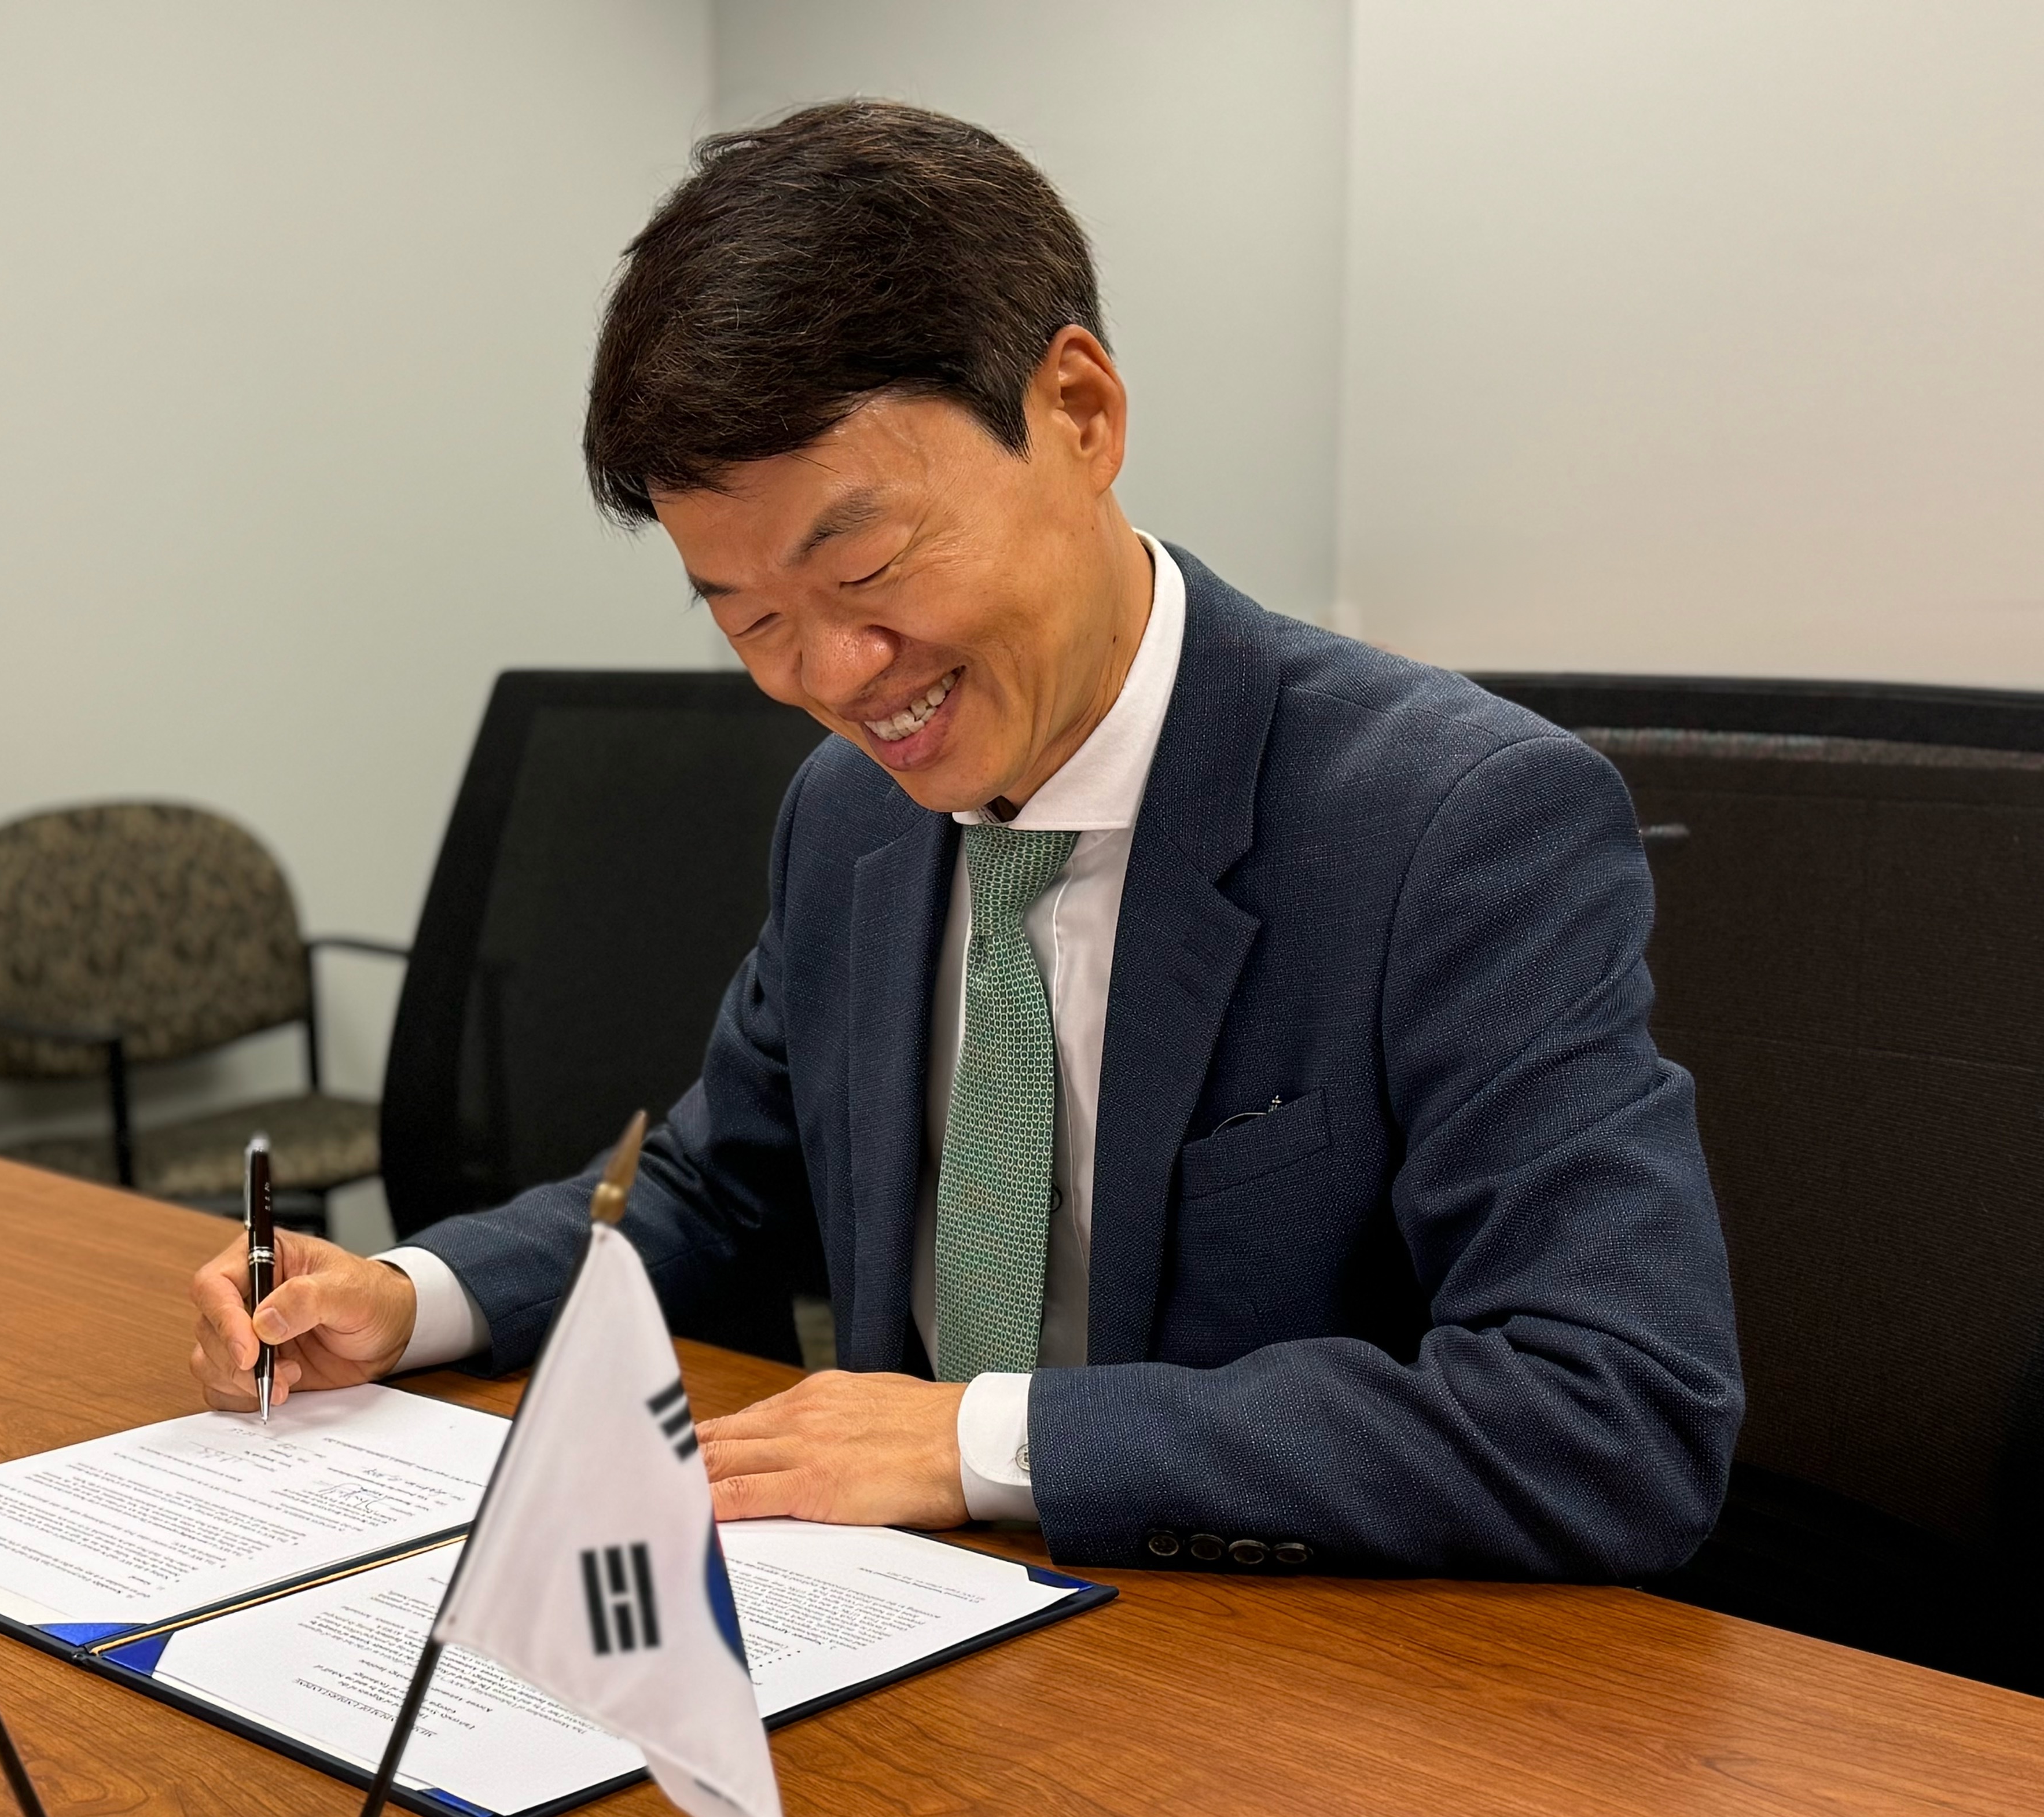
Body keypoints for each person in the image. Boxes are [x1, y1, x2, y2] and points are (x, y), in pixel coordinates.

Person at [187, 102, 1740, 1579]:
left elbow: (1614, 1410)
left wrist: (984, 1443)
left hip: (1286, 1698)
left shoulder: (1453, 827)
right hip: (897, 1658)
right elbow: (720, 1198)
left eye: (862, 562)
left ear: (1080, 412)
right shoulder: (851, 817)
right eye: (751, 620)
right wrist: (409, 1297)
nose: (832, 676)